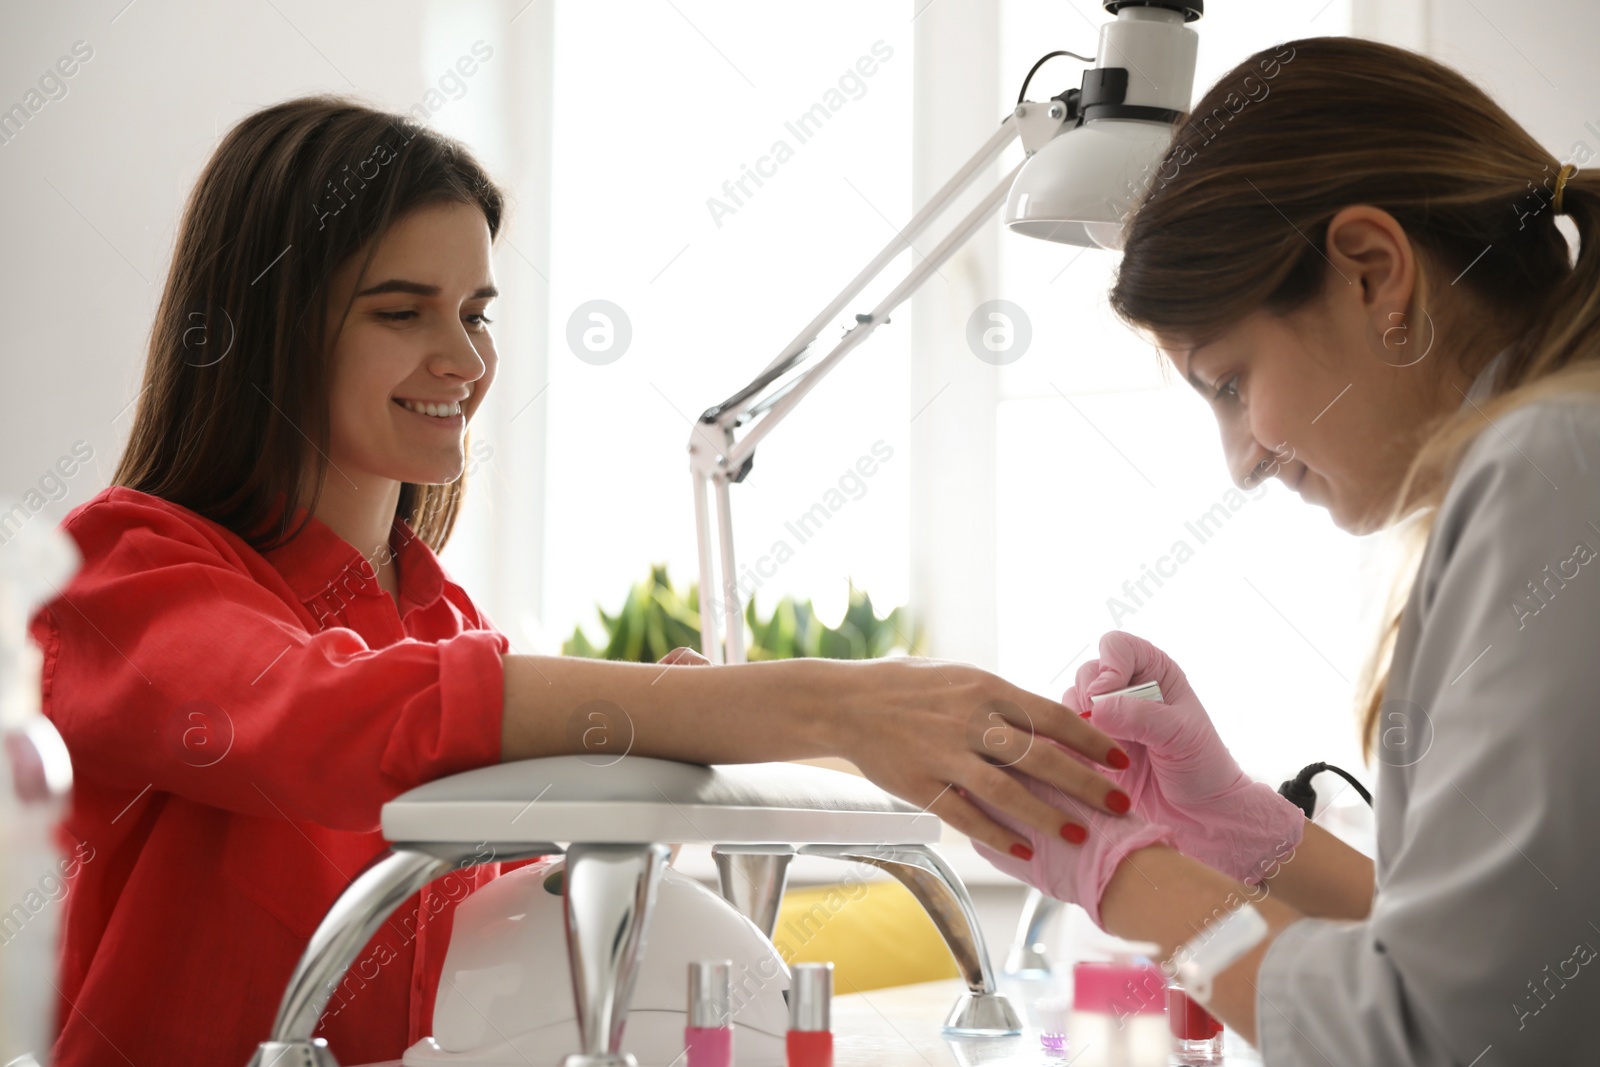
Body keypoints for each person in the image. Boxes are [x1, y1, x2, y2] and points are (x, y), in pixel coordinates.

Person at [27, 96, 1135, 1066]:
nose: (463, 359)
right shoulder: (122, 574)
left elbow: (486, 924)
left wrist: (651, 742)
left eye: (475, 311)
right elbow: (329, 720)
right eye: (401, 310)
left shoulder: (435, 616)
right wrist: (823, 702)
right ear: (271, 329)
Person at [969, 35, 1600, 1063]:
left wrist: (1128, 876)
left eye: (1227, 382)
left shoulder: (1553, 464)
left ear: (1371, 272)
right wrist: (1251, 838)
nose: (1242, 462)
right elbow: (1497, 957)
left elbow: (1436, 1036)